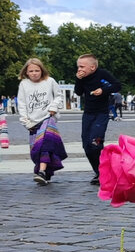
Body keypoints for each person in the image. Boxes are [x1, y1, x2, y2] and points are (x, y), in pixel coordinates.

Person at [17, 57, 67, 184]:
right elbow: (21, 104)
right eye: (31, 71)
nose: (34, 73)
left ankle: (42, 171)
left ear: (42, 70)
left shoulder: (50, 81)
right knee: (37, 149)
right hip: (33, 121)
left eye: (37, 70)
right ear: (26, 72)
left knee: (45, 144)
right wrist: (25, 121)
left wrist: (54, 107)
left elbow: (59, 96)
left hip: (48, 118)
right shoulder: (23, 84)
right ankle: (45, 172)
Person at [74, 55, 120, 185]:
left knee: (96, 143)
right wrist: (78, 80)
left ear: (92, 67)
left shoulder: (102, 74)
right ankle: (99, 172)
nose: (79, 69)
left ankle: (106, 171)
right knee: (87, 146)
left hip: (101, 113)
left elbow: (117, 85)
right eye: (78, 67)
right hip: (88, 114)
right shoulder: (82, 78)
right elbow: (78, 92)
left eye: (82, 67)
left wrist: (103, 90)